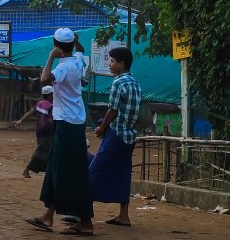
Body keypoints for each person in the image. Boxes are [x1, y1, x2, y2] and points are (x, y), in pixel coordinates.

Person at [25, 28, 94, 236]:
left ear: (56, 46)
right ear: (72, 44)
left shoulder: (64, 68)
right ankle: (48, 215)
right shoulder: (78, 61)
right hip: (70, 121)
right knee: (55, 167)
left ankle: (86, 222)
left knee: (71, 172)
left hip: (68, 124)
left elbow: (45, 79)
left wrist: (50, 56)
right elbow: (81, 51)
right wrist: (76, 43)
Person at [90, 46, 142, 227]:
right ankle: (123, 215)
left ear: (122, 63)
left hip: (117, 133)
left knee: (93, 171)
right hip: (130, 136)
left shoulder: (118, 83)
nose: (109, 65)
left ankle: (81, 214)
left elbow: (112, 111)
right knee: (122, 173)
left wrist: (102, 128)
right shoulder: (135, 83)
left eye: (112, 61)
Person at [15, 86, 55, 178]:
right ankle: (26, 170)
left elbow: (30, 112)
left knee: (48, 151)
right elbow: (51, 121)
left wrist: (21, 120)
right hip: (48, 132)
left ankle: (49, 171)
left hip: (39, 131)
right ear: (49, 95)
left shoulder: (39, 104)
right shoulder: (51, 106)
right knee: (41, 151)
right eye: (52, 94)